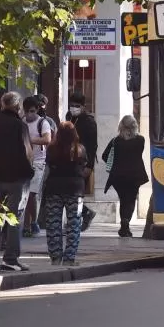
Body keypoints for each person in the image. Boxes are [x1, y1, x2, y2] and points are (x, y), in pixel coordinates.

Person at [0, 92, 34, 272]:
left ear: (2, 105)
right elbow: (27, 153)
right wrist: (30, 172)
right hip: (17, 179)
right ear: (17, 106)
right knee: (14, 219)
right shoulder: (20, 126)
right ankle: (11, 258)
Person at [42, 122, 89, 265]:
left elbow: (48, 167)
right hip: (76, 190)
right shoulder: (80, 150)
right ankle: (69, 258)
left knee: (53, 225)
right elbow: (85, 168)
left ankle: (56, 257)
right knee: (74, 224)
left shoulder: (51, 149)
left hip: (54, 189)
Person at [102, 115, 148, 237]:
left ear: (121, 126)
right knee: (131, 199)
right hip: (134, 176)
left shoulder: (115, 141)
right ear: (135, 126)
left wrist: (114, 164)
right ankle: (125, 224)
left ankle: (124, 225)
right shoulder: (140, 140)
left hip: (118, 177)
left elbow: (104, 155)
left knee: (123, 200)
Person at [20, 96, 52, 237]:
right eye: (27, 111)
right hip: (23, 161)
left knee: (31, 194)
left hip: (38, 162)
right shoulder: (21, 122)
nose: (29, 114)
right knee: (25, 195)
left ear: (37, 109)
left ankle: (30, 223)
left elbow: (47, 139)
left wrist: (29, 140)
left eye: (32, 111)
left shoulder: (42, 123)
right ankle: (29, 224)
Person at [65, 92, 97, 231]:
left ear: (83, 107)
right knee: (68, 192)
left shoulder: (89, 121)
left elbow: (92, 145)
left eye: (76, 106)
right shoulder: (69, 117)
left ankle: (79, 217)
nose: (73, 108)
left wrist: (89, 166)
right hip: (68, 159)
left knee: (75, 192)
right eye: (71, 105)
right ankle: (83, 213)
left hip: (82, 161)